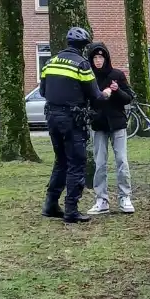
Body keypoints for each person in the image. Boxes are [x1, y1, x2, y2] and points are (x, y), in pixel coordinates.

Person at [41, 26, 113, 223]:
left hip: (51, 118)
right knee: (76, 163)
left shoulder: (50, 62)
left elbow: (42, 92)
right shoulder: (81, 65)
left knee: (60, 161)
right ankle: (71, 210)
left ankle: (50, 204)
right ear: (83, 46)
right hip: (72, 120)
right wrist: (105, 93)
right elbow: (96, 96)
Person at [86, 43, 137, 215]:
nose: (98, 60)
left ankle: (125, 197)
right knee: (100, 163)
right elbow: (87, 100)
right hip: (98, 125)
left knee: (122, 160)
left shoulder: (117, 75)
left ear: (106, 58)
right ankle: (101, 199)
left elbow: (128, 98)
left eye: (101, 57)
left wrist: (117, 91)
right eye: (95, 58)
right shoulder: (89, 77)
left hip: (117, 124)